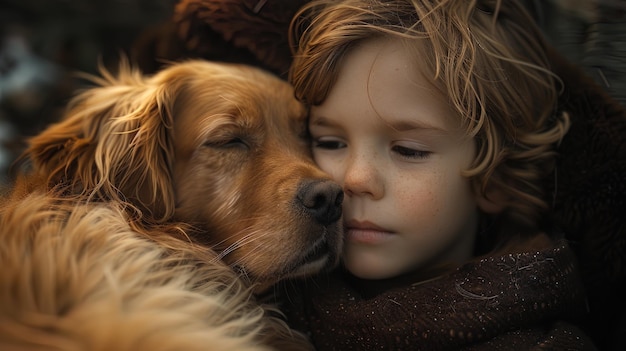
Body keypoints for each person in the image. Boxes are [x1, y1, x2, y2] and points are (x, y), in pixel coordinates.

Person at [275, 0, 599, 349]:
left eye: (409, 150)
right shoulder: (260, 300)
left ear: (495, 177)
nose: (353, 179)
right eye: (330, 142)